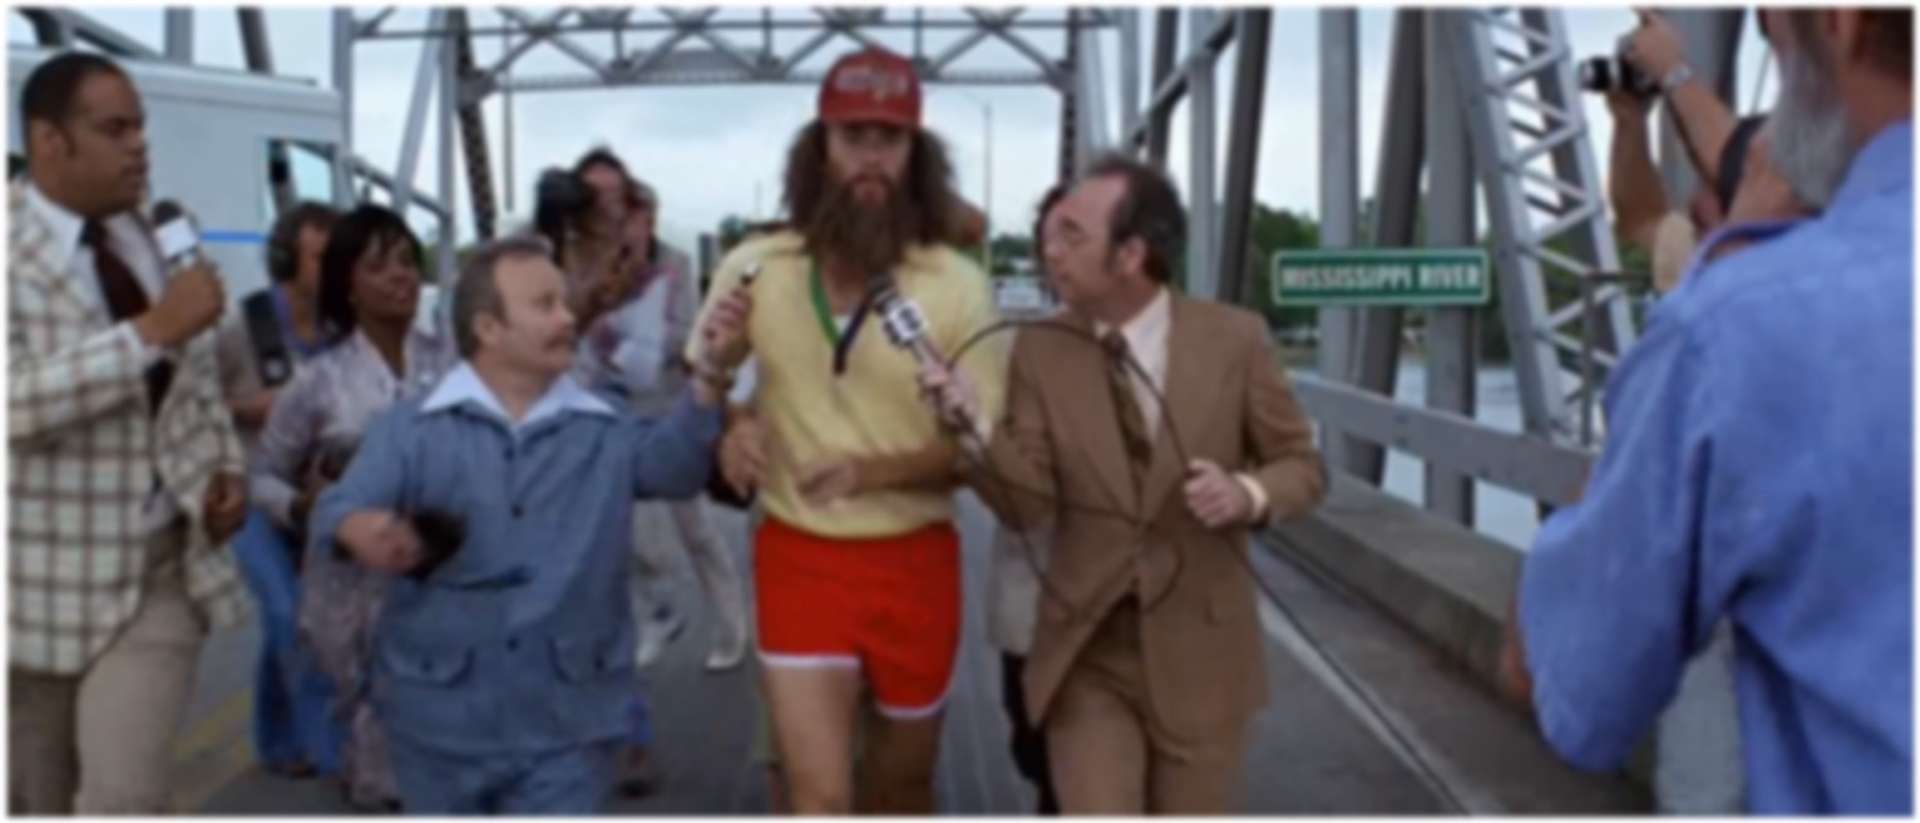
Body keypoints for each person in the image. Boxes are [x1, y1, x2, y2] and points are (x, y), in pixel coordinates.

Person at [1500, 7, 1912, 814]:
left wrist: (1678, 77)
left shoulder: (1741, 317)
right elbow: (1638, 216)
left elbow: (1549, 667)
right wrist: (1631, 123)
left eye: (1772, 25)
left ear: (1842, 20)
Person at [917, 154, 1327, 814]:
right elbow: (1027, 506)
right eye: (1048, 235)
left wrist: (1246, 494)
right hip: (1087, 649)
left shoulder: (1235, 339)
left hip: (1202, 651)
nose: (1049, 252)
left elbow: (1302, 465)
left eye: (1071, 236)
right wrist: (975, 429)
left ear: (1131, 254)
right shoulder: (1040, 349)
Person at [306, 235, 747, 813]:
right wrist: (360, 527)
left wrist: (710, 374)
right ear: (489, 329)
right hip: (439, 726)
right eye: (545, 305)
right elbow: (338, 507)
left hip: (569, 724)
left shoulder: (602, 426)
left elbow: (676, 467)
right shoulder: (411, 430)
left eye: (562, 302)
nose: (568, 318)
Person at [690, 47, 1004, 814]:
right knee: (820, 795)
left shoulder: (958, 285)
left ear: (917, 155)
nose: (870, 156)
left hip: (916, 560)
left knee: (900, 787)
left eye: (889, 138)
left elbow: (983, 452)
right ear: (818, 149)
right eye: (851, 136)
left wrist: (874, 472)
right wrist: (729, 418)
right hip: (798, 556)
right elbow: (702, 386)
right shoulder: (756, 267)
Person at [8, 51, 251, 814]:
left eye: (140, 127)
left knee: (125, 798)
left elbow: (199, 383)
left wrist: (226, 468)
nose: (139, 146)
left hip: (159, 572)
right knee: (34, 797)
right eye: (114, 130)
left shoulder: (162, 237)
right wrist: (149, 332)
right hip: (32, 586)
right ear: (50, 141)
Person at [251, 204, 460, 811]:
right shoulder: (317, 382)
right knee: (376, 767)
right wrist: (305, 507)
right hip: (352, 590)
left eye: (407, 261)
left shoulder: (454, 364)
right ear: (348, 283)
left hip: (441, 573)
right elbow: (262, 476)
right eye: (378, 265)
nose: (400, 276)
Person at [573, 155, 751, 674]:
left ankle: (732, 626)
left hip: (672, 409)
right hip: (618, 411)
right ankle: (660, 612)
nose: (630, 228)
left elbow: (687, 331)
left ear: (649, 219)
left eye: (637, 216)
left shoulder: (676, 265)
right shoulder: (599, 263)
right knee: (631, 530)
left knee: (697, 531)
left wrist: (639, 342)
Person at [218, 201, 345, 782]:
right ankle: (330, 752)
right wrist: (250, 408)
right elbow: (190, 403)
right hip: (249, 494)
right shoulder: (244, 326)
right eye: (322, 257)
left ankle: (276, 741)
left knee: (291, 622)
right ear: (288, 260)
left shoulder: (340, 332)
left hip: (309, 498)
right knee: (287, 611)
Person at [986, 182, 1068, 817]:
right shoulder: (1011, 350)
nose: (1060, 255)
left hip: (1140, 614)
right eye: (1050, 241)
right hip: (1035, 598)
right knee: (1036, 753)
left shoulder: (1178, 348)